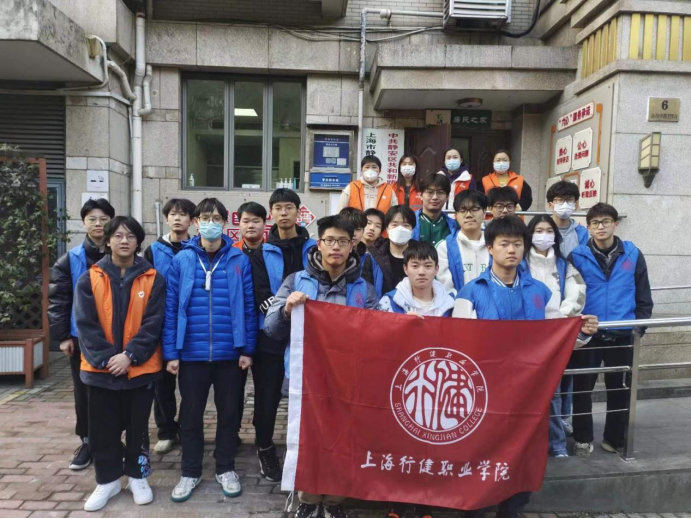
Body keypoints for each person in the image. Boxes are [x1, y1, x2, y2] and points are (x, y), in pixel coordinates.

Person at [453, 216, 598, 518]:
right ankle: (475, 507)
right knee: (480, 451)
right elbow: (459, 346)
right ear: (489, 248)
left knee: (522, 454)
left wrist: (581, 332)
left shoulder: (540, 291)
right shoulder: (471, 291)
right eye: (504, 244)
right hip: (485, 393)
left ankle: (513, 509)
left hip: (530, 391)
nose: (512, 250)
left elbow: (557, 338)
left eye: (517, 244)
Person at [264, 215, 379, 519]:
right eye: (330, 240)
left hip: (348, 381)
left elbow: (378, 332)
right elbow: (271, 329)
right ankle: (308, 499)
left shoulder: (363, 288)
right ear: (319, 244)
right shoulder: (296, 281)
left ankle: (334, 501)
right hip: (305, 377)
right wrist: (287, 310)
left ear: (352, 245)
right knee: (308, 440)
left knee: (343, 441)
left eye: (343, 241)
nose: (336, 247)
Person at [163, 198, 257, 503]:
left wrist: (248, 349)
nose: (211, 223)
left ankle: (225, 467)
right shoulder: (182, 259)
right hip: (192, 354)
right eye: (205, 218)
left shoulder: (239, 260)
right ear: (195, 222)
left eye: (216, 218)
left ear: (225, 223)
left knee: (229, 414)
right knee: (190, 416)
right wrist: (171, 353)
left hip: (230, 354)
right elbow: (171, 308)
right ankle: (190, 471)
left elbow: (249, 307)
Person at [74, 216, 166, 512]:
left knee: (138, 429)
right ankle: (108, 480)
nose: (124, 241)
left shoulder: (153, 278)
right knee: (103, 430)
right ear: (108, 240)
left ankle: (138, 476)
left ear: (138, 241)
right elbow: (85, 324)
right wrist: (106, 359)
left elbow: (154, 323)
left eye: (130, 236)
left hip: (140, 369)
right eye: (118, 235)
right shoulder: (89, 277)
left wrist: (130, 356)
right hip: (99, 371)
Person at [569, 203, 653, 457]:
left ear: (615, 224)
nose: (601, 227)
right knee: (582, 389)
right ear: (588, 227)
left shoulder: (633, 254)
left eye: (606, 221)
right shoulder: (577, 256)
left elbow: (644, 297)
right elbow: (570, 295)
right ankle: (582, 438)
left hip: (622, 333)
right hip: (588, 333)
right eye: (595, 223)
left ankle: (614, 438)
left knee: (620, 390)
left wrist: (638, 328)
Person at [249, 189, 317, 483]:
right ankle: (265, 448)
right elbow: (261, 293)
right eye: (278, 208)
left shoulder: (314, 248)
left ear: (298, 212)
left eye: (289, 207)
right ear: (271, 213)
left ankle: (307, 449)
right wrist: (281, 314)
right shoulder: (260, 252)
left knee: (310, 397)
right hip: (271, 337)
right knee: (267, 396)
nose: (284, 213)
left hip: (311, 336)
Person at [48, 197, 115, 471]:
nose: (98, 224)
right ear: (84, 223)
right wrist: (63, 336)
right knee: (84, 390)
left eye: (104, 219)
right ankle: (87, 441)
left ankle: (114, 440)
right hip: (82, 338)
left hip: (116, 335)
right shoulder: (69, 260)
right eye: (92, 219)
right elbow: (58, 300)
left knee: (117, 390)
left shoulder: (122, 254)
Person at [526, 216, 587, 458]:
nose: (544, 235)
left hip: (555, 336)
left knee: (553, 393)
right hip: (527, 335)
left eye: (548, 231)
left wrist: (561, 318)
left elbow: (577, 292)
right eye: (538, 230)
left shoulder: (564, 265)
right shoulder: (520, 263)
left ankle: (557, 445)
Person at [143, 198, 196, 456]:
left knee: (191, 384)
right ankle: (166, 430)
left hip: (190, 325)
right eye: (173, 214)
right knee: (162, 384)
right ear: (166, 218)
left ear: (191, 220)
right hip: (161, 325)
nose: (177, 218)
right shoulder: (154, 250)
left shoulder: (197, 249)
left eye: (183, 214)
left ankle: (186, 427)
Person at [378, 241, 455, 318]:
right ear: (405, 269)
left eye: (428, 266)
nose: (421, 272)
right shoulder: (390, 301)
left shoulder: (450, 304)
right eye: (415, 266)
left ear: (436, 269)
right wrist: (402, 322)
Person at [436, 190, 490, 296]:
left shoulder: (495, 245)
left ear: (484, 213)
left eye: (474, 209)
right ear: (456, 215)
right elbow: (446, 288)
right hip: (458, 304)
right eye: (463, 210)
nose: (468, 215)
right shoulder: (444, 247)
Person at [362, 206, 418, 297]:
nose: (400, 229)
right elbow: (366, 292)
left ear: (412, 229)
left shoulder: (422, 255)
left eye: (406, 225)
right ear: (387, 229)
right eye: (394, 225)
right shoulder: (374, 257)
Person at [547, 181, 590, 257]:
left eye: (569, 200)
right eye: (560, 200)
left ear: (576, 205)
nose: (565, 204)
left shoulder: (582, 232)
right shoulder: (541, 229)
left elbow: (585, 259)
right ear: (550, 205)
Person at [412, 173, 457, 245]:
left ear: (447, 197)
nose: (435, 197)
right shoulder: (410, 223)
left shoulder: (454, 226)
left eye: (440, 193)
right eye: (430, 192)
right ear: (420, 195)